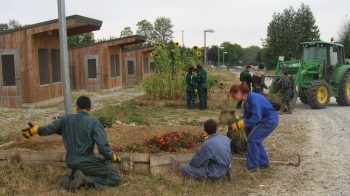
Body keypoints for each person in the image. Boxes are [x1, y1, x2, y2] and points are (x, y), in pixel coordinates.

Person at [21, 96, 121, 192]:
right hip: (85, 162)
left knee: (97, 162)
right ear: (90, 108)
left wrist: (36, 130)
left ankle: (70, 176)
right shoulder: (94, 123)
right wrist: (112, 157)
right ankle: (86, 180)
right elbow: (103, 148)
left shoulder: (66, 120)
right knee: (114, 177)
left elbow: (50, 128)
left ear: (77, 107)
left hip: (70, 161)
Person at [229, 83, 279, 172]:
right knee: (256, 140)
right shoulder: (246, 101)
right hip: (264, 121)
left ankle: (253, 167)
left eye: (234, 95)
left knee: (253, 139)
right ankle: (264, 163)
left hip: (269, 121)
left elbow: (256, 117)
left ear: (240, 92)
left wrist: (242, 124)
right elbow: (247, 115)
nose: (233, 97)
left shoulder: (253, 99)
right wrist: (240, 122)